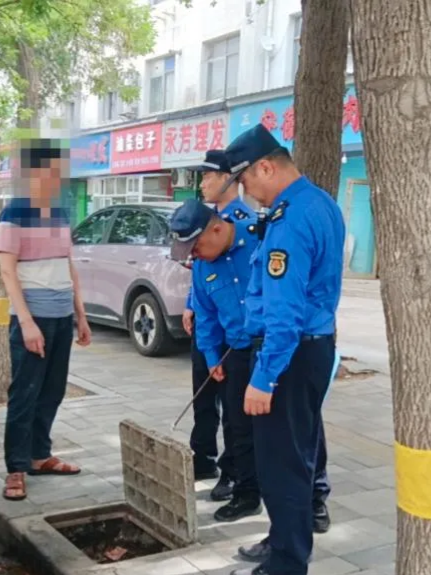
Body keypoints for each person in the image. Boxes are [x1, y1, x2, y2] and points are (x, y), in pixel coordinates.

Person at [224, 124, 345, 575]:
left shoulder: (290, 220)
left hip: (288, 355)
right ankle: (283, 541)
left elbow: (284, 314)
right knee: (296, 455)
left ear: (266, 167)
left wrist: (264, 377)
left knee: (281, 465)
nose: (245, 190)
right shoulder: (320, 203)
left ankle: (287, 564)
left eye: (245, 179)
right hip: (310, 348)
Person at [0, 138, 92, 502]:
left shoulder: (60, 213)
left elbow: (69, 266)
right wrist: (26, 322)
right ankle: (16, 469)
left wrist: (81, 314)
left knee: (52, 390)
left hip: (62, 316)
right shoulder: (13, 213)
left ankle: (39, 456)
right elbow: (7, 271)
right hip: (33, 318)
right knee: (25, 393)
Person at [171, 199, 262, 523]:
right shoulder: (202, 266)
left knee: (283, 427)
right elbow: (206, 316)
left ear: (217, 229)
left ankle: (310, 497)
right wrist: (211, 357)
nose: (193, 256)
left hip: (272, 346)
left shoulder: (260, 239)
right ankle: (247, 494)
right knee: (239, 426)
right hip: (235, 349)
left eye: (195, 247)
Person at [182, 150, 256, 502]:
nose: (203, 184)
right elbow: (202, 281)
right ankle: (206, 458)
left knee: (238, 413)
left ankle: (237, 473)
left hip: (250, 339)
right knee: (205, 395)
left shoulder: (249, 227)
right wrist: (190, 305)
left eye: (209, 177)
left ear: (229, 178)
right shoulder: (202, 229)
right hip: (217, 328)